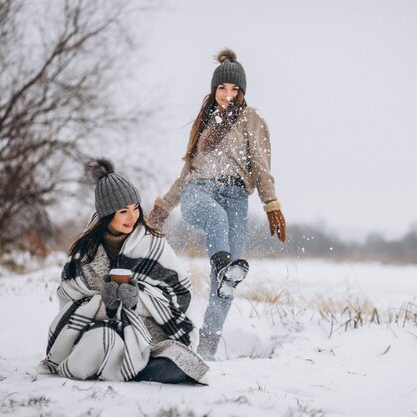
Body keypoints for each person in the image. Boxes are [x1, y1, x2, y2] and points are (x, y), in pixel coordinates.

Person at [148, 49, 286, 360]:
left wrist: (271, 203)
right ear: (214, 89)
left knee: (226, 286)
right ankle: (222, 265)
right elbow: (188, 171)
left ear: (242, 92)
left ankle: (206, 352)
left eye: (234, 89)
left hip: (236, 196)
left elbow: (261, 167)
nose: (227, 95)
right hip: (200, 191)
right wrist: (163, 209)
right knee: (216, 220)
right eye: (222, 88)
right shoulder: (205, 121)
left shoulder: (252, 119)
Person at [38, 158, 208, 384]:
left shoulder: (153, 244)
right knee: (102, 340)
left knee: (180, 363)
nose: (133, 217)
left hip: (148, 334)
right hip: (98, 329)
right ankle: (123, 366)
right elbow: (68, 299)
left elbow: (181, 294)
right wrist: (103, 306)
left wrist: (139, 301)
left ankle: (121, 366)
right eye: (123, 211)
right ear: (107, 214)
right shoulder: (83, 253)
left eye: (136, 208)